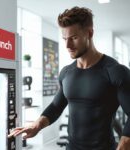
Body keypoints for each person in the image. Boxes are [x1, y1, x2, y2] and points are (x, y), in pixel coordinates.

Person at [8, 6, 130, 150]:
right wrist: (37, 125)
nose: (67, 45)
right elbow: (56, 106)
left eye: (74, 38)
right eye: (65, 39)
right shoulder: (66, 73)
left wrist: (124, 144)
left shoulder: (115, 71)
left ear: (90, 33)